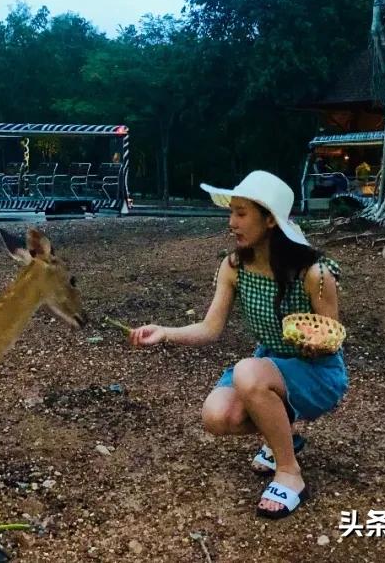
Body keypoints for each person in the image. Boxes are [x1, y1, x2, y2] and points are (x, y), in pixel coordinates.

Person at [130, 170, 349, 519]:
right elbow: (209, 328)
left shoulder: (314, 274)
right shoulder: (234, 266)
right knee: (217, 415)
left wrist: (314, 342)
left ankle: (290, 473)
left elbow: (332, 335)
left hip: (317, 374)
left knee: (248, 371)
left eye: (242, 213)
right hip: (266, 370)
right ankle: (284, 437)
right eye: (231, 212)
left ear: (270, 221)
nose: (231, 222)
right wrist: (165, 333)